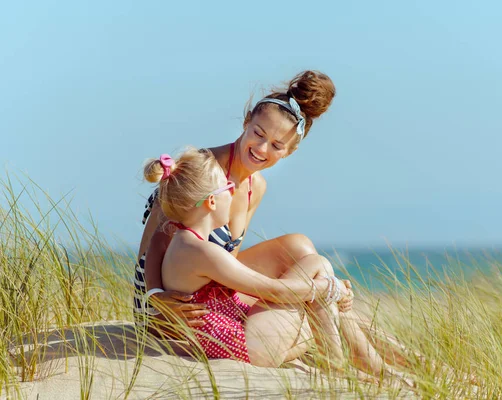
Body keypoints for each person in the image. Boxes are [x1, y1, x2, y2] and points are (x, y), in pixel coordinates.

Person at [135, 70, 410, 375]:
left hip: (211, 295)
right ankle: (365, 358)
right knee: (313, 286)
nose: (263, 149)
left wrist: (303, 290)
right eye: (258, 134)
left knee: (300, 248)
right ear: (246, 123)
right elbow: (157, 243)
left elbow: (230, 261)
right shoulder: (202, 172)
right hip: (166, 300)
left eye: (278, 145)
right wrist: (157, 298)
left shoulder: (256, 187)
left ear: (290, 151)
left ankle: (389, 358)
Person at [142, 148, 354, 367]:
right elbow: (273, 290)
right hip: (249, 347)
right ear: (212, 202)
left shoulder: (184, 240)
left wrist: (324, 289)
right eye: (229, 188)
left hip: (238, 339)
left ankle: (335, 361)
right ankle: (337, 364)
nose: (233, 193)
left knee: (312, 318)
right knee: (318, 264)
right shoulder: (202, 251)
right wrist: (331, 287)